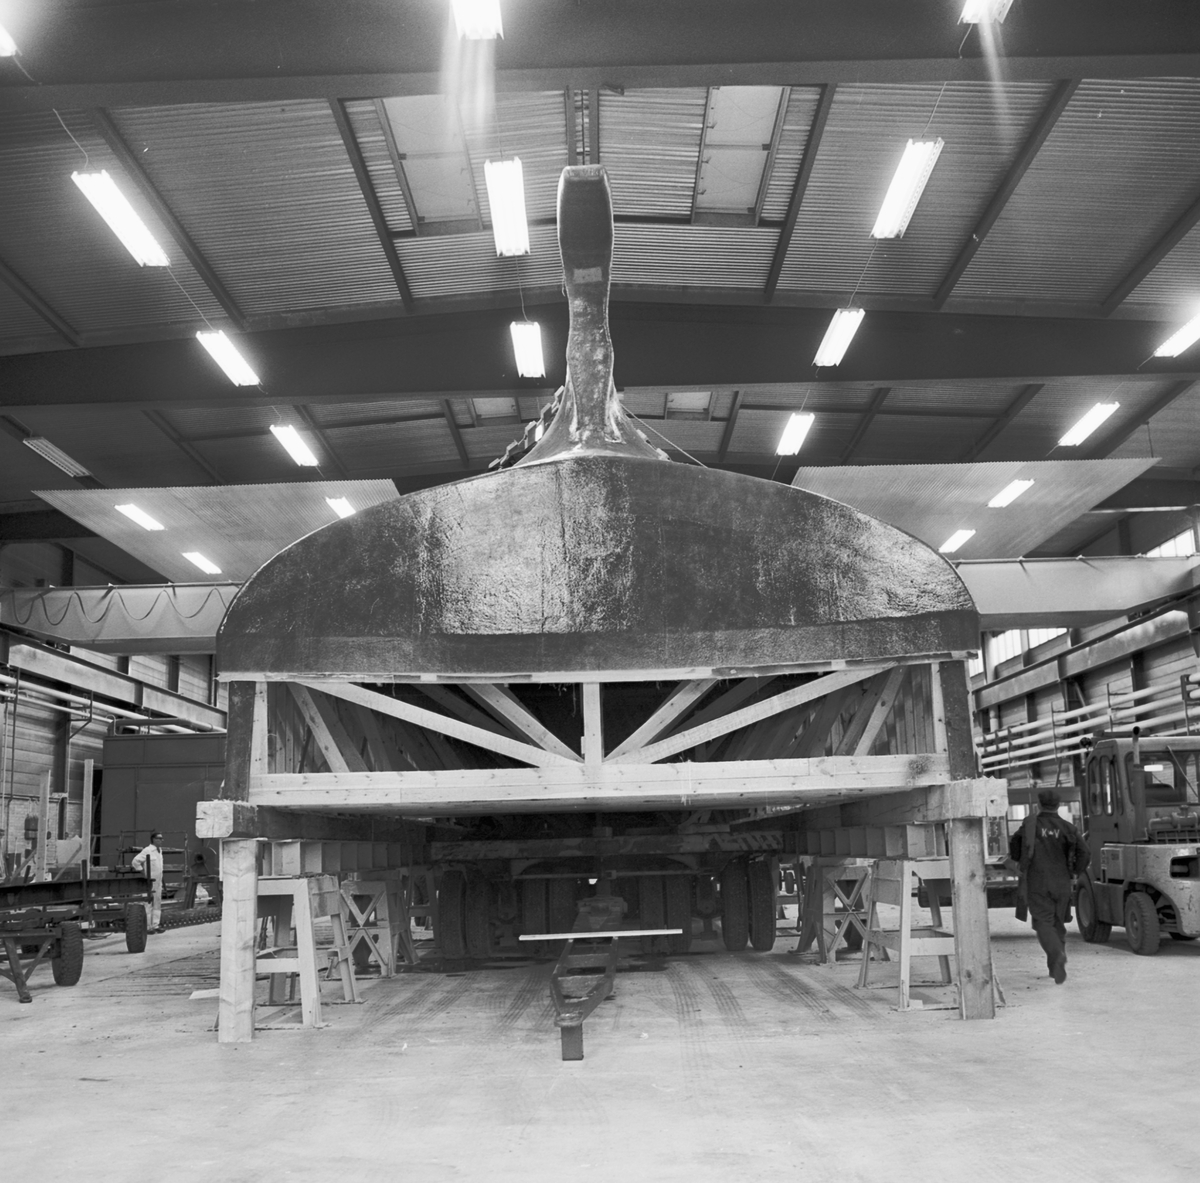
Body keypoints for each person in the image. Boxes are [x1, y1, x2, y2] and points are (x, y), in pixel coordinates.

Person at [1008, 790, 1090, 984]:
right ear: (1058, 805)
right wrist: (1075, 871)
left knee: (1043, 923)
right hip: (1062, 882)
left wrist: (1019, 860)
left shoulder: (1030, 825)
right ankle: (1054, 969)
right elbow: (1085, 852)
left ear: (1039, 804)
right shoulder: (1068, 828)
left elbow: (1015, 845)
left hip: (1037, 881)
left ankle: (1057, 954)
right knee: (1057, 924)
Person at [131, 831, 165, 934]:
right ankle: (147, 927)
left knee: (157, 903)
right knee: (148, 903)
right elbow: (135, 861)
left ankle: (155, 925)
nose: (161, 840)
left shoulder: (159, 851)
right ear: (153, 839)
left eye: (162, 838)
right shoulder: (147, 850)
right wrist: (143, 872)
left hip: (158, 882)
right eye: (159, 838)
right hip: (149, 881)